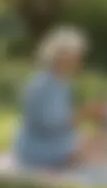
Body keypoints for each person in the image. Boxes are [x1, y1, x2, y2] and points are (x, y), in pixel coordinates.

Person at [13, 26, 100, 170]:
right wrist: (79, 116)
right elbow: (46, 124)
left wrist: (81, 119)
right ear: (61, 57)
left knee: (96, 141)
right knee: (91, 149)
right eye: (76, 56)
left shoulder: (63, 84)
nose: (79, 61)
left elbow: (64, 122)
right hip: (36, 146)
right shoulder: (40, 84)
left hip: (55, 140)